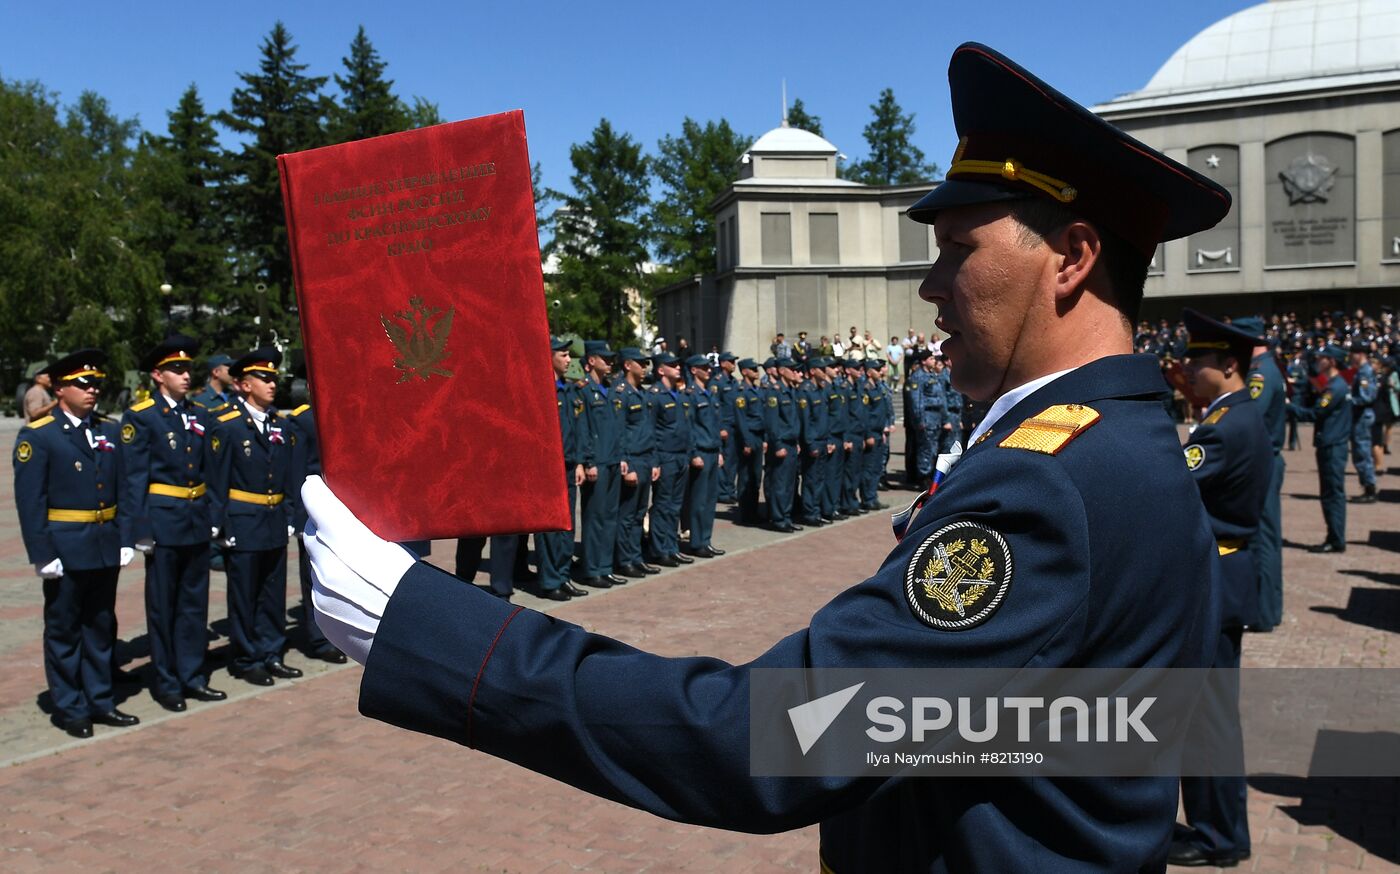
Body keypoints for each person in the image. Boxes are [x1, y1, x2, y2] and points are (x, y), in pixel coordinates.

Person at [301, 42, 1230, 870]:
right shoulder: (1128, 442)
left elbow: (776, 737)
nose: (930, 284)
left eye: (957, 248)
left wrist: (428, 633)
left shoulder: (1050, 480)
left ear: (1071, 257)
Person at [1169, 310, 1272, 868]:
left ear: (1227, 366)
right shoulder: (1238, 417)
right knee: (1209, 716)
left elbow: (1172, 487)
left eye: (1197, 360)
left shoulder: (1224, 428)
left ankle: (1218, 837)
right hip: (1227, 579)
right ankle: (1219, 829)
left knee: (1206, 720)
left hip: (1216, 584)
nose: (1188, 367)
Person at [14, 350, 139, 738]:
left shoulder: (109, 430)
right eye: (83, 384)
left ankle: (101, 700)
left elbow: (125, 485)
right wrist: (42, 554)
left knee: (100, 626)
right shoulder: (39, 435)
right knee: (65, 630)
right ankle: (71, 707)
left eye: (96, 383)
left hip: (103, 544)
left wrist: (125, 536)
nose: (92, 390)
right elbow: (30, 500)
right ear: (60, 388)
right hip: (65, 549)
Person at [119, 335, 231, 711]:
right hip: (164, 524)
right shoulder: (142, 416)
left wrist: (215, 515)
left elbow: (212, 472)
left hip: (196, 520)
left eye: (187, 369)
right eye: (176, 370)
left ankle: (193, 675)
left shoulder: (199, 414)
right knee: (164, 607)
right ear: (157, 375)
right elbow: (134, 479)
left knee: (194, 605)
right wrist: (140, 529)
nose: (185, 375)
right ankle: (167, 681)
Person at [207, 348, 302, 686]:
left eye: (273, 378)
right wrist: (220, 524)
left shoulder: (280, 423)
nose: (272, 384)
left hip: (274, 517)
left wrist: (290, 512)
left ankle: (272, 652)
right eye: (264, 379)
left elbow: (289, 474)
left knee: (273, 592)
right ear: (244, 385)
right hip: (243, 519)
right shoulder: (226, 425)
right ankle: (248, 658)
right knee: (245, 594)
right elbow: (217, 478)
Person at [1233, 318, 1287, 633]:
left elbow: (1249, 414)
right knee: (1266, 535)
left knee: (1263, 538)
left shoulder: (1260, 374)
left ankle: (1265, 612)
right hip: (1268, 457)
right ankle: (1267, 609)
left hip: (1264, 459)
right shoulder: (1266, 368)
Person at [534, 337, 590, 601]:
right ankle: (549, 580)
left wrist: (579, 462)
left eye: (569, 355)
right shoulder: (540, 389)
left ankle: (563, 574)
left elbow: (576, 431)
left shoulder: (568, 390)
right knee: (550, 528)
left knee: (567, 526)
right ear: (549, 357)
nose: (569, 360)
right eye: (564, 355)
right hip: (547, 469)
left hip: (568, 465)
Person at [1288, 345, 1352, 553]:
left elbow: (1315, 414)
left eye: (1323, 358)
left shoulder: (1335, 388)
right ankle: (1334, 536)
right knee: (1331, 493)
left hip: (1332, 446)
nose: (1318, 360)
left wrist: (1288, 406)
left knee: (1332, 494)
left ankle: (1335, 539)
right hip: (1332, 444)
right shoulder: (1336, 385)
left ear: (1331, 362)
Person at [576, 341, 627, 587]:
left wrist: (622, 457)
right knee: (594, 517)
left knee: (610, 516)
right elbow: (583, 428)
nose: (609, 363)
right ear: (592, 360)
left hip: (614, 460)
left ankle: (605, 566)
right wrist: (588, 461)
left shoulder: (611, 388)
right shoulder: (584, 390)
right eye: (604, 359)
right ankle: (591, 567)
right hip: (597, 462)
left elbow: (618, 429)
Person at [614, 347, 659, 579]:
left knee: (640, 513)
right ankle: (624, 560)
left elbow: (648, 431)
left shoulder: (642, 392)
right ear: (628, 365)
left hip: (645, 458)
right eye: (641, 363)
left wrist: (653, 461)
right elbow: (619, 431)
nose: (645, 368)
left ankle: (635, 556)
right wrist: (626, 463)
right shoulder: (621, 392)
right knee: (628, 514)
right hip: (632, 460)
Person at [683, 355, 725, 558]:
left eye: (709, 368)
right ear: (693, 370)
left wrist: (719, 451)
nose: (708, 371)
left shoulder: (710, 393)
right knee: (698, 501)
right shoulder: (690, 394)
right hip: (700, 452)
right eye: (703, 368)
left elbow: (715, 426)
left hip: (712, 451)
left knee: (710, 500)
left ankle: (706, 540)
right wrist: (693, 453)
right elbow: (689, 427)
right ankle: (696, 541)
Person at [762, 358, 801, 532]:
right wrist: (777, 445)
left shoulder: (790, 390)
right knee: (780, 484)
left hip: (791, 444)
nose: (795, 372)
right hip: (782, 444)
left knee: (789, 484)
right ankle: (778, 519)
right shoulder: (774, 392)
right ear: (782, 370)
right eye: (792, 369)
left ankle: (786, 516)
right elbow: (772, 422)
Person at [796, 358, 833, 528]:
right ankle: (809, 513)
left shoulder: (821, 389)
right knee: (811, 479)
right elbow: (806, 421)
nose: (825, 371)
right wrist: (810, 444)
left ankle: (816, 511)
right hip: (813, 443)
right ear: (812, 371)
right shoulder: (805, 390)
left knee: (819, 479)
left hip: (823, 440)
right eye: (821, 369)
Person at [732, 358, 768, 526]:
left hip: (759, 435)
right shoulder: (741, 391)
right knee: (745, 476)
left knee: (756, 476)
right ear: (744, 371)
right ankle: (745, 514)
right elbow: (741, 420)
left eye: (756, 368)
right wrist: (746, 442)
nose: (756, 371)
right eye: (753, 369)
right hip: (748, 436)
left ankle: (753, 512)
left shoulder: (758, 390)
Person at [1347, 343, 1379, 503]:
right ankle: (1367, 486)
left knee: (1362, 453)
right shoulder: (1361, 371)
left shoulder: (1365, 372)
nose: (1350, 357)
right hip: (1360, 416)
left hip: (1362, 416)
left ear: (1359, 354)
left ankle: (1370, 489)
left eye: (1352, 353)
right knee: (1360, 452)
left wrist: (1348, 400)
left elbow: (1367, 396)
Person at [713, 352, 740, 505]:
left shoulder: (734, 381)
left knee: (733, 461)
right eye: (730, 361)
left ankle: (730, 490)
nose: (733, 364)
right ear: (722, 363)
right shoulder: (717, 383)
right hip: (726, 426)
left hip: (735, 425)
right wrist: (720, 427)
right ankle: (722, 491)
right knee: (725, 461)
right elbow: (715, 407)